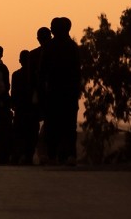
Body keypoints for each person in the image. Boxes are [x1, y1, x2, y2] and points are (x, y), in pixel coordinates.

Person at [39, 16, 81, 165]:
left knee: (53, 125)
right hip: (68, 93)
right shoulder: (72, 47)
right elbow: (77, 72)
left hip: (55, 92)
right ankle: (68, 155)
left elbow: (42, 72)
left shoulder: (49, 47)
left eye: (53, 27)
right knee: (68, 126)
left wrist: (41, 92)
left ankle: (54, 155)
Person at [27, 26, 52, 163]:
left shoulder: (34, 55)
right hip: (53, 94)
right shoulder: (58, 52)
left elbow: (31, 79)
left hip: (41, 95)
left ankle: (41, 154)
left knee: (36, 126)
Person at [10, 49, 38, 164]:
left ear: (20, 61)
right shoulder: (35, 74)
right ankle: (28, 157)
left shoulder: (16, 75)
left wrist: (13, 104)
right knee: (31, 134)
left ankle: (19, 156)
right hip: (31, 109)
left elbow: (13, 92)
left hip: (21, 109)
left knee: (20, 134)